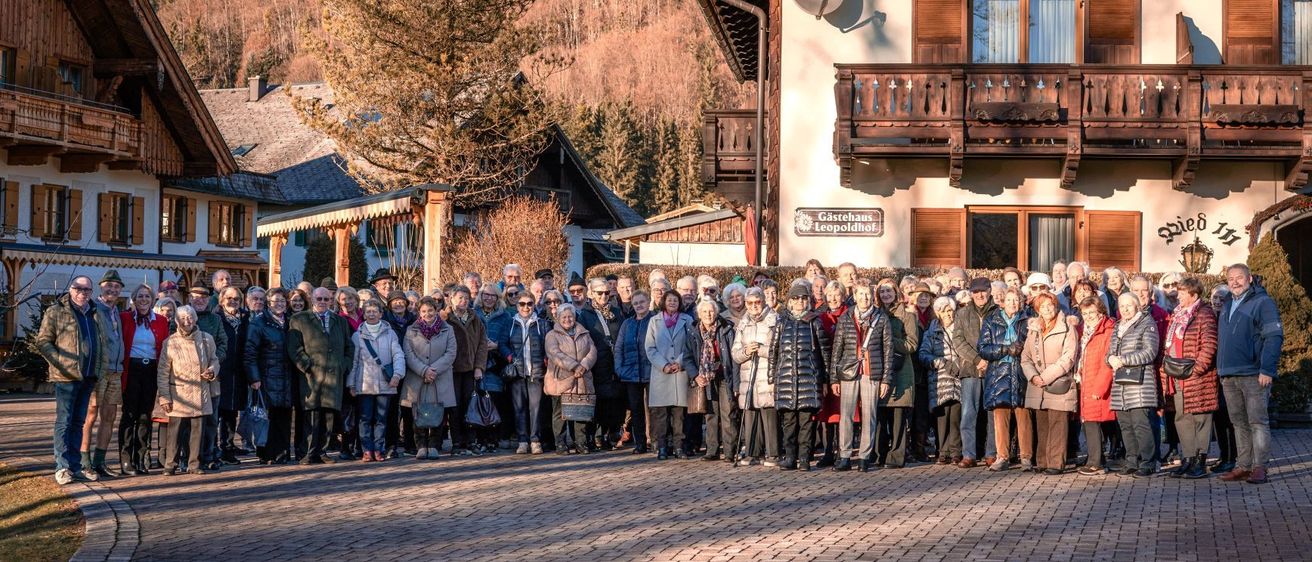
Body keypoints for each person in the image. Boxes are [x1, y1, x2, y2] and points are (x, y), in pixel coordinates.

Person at [37, 276, 111, 485]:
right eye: (79, 288)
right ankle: (62, 467)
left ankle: (75, 466)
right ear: (71, 289)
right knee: (64, 421)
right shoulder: (56, 311)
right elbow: (43, 341)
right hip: (66, 376)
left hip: (88, 376)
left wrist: (101, 370)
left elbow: (102, 343)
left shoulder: (95, 313)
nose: (83, 292)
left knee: (78, 422)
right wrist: (59, 362)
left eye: (87, 289)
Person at [1216, 264, 1283, 484]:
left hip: (1253, 374)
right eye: (1231, 279)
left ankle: (1259, 467)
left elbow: (1273, 337)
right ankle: (1243, 466)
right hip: (1228, 374)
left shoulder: (1263, 303)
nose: (1234, 282)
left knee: (1257, 422)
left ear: (1250, 278)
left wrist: (1267, 369)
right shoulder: (1226, 303)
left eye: (1239, 278)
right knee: (1238, 423)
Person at [1160, 277, 1219, 479]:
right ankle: (1188, 458)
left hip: (1197, 376)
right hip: (1177, 374)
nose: (1179, 295)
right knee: (1182, 417)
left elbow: (1209, 345)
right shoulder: (1177, 314)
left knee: (1200, 417)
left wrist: (1197, 369)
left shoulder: (1205, 314)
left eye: (1183, 292)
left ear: (1193, 294)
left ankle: (1199, 460)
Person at [829, 281, 891, 472]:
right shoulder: (846, 317)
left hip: (872, 372)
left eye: (867, 294)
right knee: (846, 415)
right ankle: (845, 456)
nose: (864, 298)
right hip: (848, 371)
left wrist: (886, 379)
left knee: (869, 415)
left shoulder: (881, 318)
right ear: (854, 296)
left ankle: (865, 456)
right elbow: (836, 349)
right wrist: (833, 378)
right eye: (861, 294)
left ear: (872, 296)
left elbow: (888, 349)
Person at [288, 287, 354, 465]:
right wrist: (306, 365)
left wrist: (344, 365)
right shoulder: (299, 319)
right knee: (311, 416)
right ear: (312, 299)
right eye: (319, 298)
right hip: (311, 378)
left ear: (331, 300)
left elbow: (349, 346)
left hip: (334, 377)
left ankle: (323, 451)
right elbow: (294, 347)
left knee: (329, 416)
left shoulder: (339, 321)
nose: (323, 302)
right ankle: (308, 452)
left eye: (326, 299)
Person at [156, 305, 220, 476]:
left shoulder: (206, 339)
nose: (187, 321)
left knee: (198, 432)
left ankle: (194, 464)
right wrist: (164, 396)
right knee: (175, 433)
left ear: (195, 319)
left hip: (200, 392)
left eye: (190, 317)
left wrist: (212, 370)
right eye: (183, 318)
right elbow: (163, 372)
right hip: (178, 394)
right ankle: (171, 464)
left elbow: (215, 360)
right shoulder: (170, 342)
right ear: (176, 321)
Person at [770, 284, 827, 471]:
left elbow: (824, 354)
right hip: (785, 380)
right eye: (796, 299)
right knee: (788, 424)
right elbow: (774, 352)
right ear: (789, 301)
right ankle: (790, 457)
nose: (800, 302)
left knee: (806, 424)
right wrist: (773, 379)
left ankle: (804, 458)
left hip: (807, 381)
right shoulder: (781, 322)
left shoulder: (814, 322)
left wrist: (825, 380)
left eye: (803, 298)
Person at [1021, 293, 1077, 475]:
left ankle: (1055, 463)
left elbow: (1068, 357)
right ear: (1037, 309)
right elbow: (1025, 358)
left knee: (1058, 423)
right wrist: (1033, 376)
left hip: (1058, 382)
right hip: (1037, 384)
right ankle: (1042, 461)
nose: (1047, 309)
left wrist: (1046, 376)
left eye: (1050, 305)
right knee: (1042, 423)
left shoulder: (1068, 327)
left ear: (1056, 306)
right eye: (1042, 306)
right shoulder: (1033, 329)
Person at [1108, 292, 1161, 478]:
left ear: (1137, 305)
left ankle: (1148, 462)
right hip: (1120, 384)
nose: (1125, 309)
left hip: (1140, 384)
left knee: (1141, 425)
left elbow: (1150, 352)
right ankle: (1132, 460)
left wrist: (1123, 360)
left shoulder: (1147, 323)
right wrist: (1111, 359)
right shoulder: (1118, 327)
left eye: (1129, 305)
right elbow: (1110, 352)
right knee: (1125, 425)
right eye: (1122, 306)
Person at [118, 284, 168, 476]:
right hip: (132, 369)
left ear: (153, 299)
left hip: (151, 370)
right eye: (140, 296)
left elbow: (164, 347)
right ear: (133, 299)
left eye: (147, 296)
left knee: (145, 416)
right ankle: (126, 458)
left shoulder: (161, 321)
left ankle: (141, 457)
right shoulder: (125, 318)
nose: (144, 300)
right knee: (129, 414)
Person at [347, 299, 406, 462]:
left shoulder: (390, 333)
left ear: (381, 314)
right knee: (365, 418)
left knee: (381, 419)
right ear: (364, 314)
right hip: (364, 384)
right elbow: (354, 362)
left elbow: (398, 355)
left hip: (385, 383)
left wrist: (397, 375)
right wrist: (351, 383)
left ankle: (379, 449)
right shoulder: (357, 336)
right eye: (368, 312)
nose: (371, 314)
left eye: (375, 311)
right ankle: (367, 450)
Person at [979, 288, 1031, 472]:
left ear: (1021, 302)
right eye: (1009, 300)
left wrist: (1022, 347)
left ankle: (1026, 457)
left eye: (1016, 300)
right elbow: (983, 348)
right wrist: (1006, 349)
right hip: (998, 374)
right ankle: (1002, 456)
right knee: (1000, 417)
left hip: (1020, 372)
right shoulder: (991, 320)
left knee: (1023, 415)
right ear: (1002, 302)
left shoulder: (1028, 320)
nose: (1012, 303)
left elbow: (1033, 345)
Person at [401, 297, 457, 459]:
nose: (427, 314)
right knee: (418, 412)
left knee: (438, 412)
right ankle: (421, 445)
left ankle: (434, 445)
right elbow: (408, 354)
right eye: (424, 311)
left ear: (436, 310)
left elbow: (451, 352)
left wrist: (434, 370)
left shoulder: (448, 329)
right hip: (418, 377)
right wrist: (424, 370)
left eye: (430, 310)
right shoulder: (411, 330)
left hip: (439, 377)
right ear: (419, 312)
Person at [645, 290, 698, 460]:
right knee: (661, 414)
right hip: (661, 373)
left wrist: (680, 363)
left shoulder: (687, 320)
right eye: (669, 300)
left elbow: (691, 345)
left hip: (679, 373)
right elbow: (650, 348)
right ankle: (662, 446)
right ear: (664, 302)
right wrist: (664, 365)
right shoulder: (654, 321)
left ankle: (679, 446)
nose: (672, 303)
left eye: (675, 300)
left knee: (679, 414)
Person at [244, 288, 295, 465]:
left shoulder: (290, 322)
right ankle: (267, 453)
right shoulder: (259, 323)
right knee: (267, 417)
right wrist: (254, 378)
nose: (279, 304)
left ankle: (283, 452)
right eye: (275, 301)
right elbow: (250, 352)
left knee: (284, 415)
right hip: (266, 376)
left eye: (282, 301)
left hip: (286, 376)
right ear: (268, 303)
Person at [731, 287, 780, 467]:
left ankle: (773, 453)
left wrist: (760, 349)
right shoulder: (743, 323)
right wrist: (745, 351)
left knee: (768, 414)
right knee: (750, 414)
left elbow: (779, 348)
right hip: (748, 376)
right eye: (749, 303)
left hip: (767, 375)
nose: (753, 306)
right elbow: (735, 353)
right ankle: (752, 452)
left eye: (757, 302)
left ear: (763, 301)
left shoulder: (773, 319)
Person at [82, 271, 124, 478]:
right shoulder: (93, 309)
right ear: (101, 287)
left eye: (116, 287)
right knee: (90, 414)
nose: (113, 289)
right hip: (98, 371)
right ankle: (84, 461)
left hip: (115, 372)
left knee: (109, 416)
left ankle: (100, 461)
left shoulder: (117, 311)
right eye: (109, 285)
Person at [954, 278, 997, 468]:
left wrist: (989, 359)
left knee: (992, 414)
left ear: (990, 291)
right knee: (968, 413)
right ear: (971, 293)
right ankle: (969, 454)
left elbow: (1001, 339)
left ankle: (991, 453)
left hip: (993, 370)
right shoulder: (962, 313)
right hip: (970, 370)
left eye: (983, 291)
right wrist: (977, 359)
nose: (980, 295)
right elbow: (958, 341)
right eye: (976, 291)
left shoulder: (998, 313)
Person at [545, 304, 597, 455]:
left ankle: (581, 443)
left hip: (582, 379)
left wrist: (584, 365)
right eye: (564, 317)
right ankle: (560, 444)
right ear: (558, 318)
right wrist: (574, 366)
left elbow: (592, 351)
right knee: (559, 414)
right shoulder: (552, 335)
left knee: (581, 412)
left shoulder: (584, 333)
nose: (568, 319)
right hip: (561, 379)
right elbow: (554, 354)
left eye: (570, 316)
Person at [691, 296, 738, 462]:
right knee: (710, 414)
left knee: (728, 413)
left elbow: (734, 357)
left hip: (725, 375)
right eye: (704, 312)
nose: (708, 314)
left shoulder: (726, 328)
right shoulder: (694, 330)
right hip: (705, 377)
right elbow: (688, 356)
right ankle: (712, 450)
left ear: (716, 312)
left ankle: (730, 451)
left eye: (711, 311)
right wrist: (695, 375)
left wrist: (736, 382)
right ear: (699, 314)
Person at [580, 278, 624, 451]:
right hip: (597, 363)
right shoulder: (585, 314)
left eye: (607, 293)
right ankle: (597, 435)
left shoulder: (616, 312)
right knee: (599, 400)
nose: (604, 296)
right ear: (591, 294)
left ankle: (610, 434)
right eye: (600, 293)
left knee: (614, 401)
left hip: (614, 363)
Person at [1074, 297, 1117, 476]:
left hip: (1097, 381)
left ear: (1100, 311)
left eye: (1092, 312)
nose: (1089, 316)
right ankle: (1097, 459)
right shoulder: (1084, 330)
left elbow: (1107, 360)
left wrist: (1100, 388)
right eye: (1085, 313)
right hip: (1085, 380)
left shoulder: (1107, 330)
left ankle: (1096, 463)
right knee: (1089, 422)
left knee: (1093, 422)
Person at [446, 286, 491, 455]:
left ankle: (471, 440)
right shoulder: (446, 318)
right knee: (454, 406)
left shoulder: (475, 318)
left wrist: (479, 367)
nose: (463, 301)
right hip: (452, 370)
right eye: (460, 298)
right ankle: (457, 442)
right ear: (452, 299)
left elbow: (482, 344)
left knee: (470, 405)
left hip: (471, 370)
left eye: (466, 298)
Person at [502, 292, 548, 454]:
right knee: (519, 408)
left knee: (535, 408)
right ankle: (522, 440)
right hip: (517, 372)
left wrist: (545, 359)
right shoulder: (510, 323)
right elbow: (503, 343)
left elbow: (547, 344)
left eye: (529, 304)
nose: (526, 307)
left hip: (536, 372)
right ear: (517, 305)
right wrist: (509, 356)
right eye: (522, 304)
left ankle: (535, 440)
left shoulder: (541, 324)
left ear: (534, 305)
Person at [919, 296, 962, 466]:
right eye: (944, 311)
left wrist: (959, 364)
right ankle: (942, 451)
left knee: (956, 416)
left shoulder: (961, 329)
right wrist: (940, 362)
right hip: (939, 379)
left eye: (950, 310)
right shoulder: (932, 331)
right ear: (938, 313)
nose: (948, 314)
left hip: (958, 379)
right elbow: (923, 354)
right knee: (942, 416)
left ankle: (956, 451)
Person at [614, 291, 655, 454]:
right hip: (631, 373)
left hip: (651, 372)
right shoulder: (627, 324)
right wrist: (619, 368)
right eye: (636, 303)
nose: (639, 306)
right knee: (636, 410)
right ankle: (640, 443)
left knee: (653, 410)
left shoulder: (654, 320)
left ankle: (656, 441)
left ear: (648, 302)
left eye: (642, 302)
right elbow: (619, 347)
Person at [215, 286, 250, 464]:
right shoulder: (217, 319)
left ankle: (228, 448)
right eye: (229, 298)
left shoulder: (245, 319)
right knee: (216, 412)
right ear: (222, 300)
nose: (233, 301)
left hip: (239, 372)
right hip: (220, 371)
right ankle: (213, 449)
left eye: (236, 298)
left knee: (231, 412)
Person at [814, 281, 847, 468]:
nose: (833, 298)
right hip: (826, 370)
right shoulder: (820, 317)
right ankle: (828, 451)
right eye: (830, 295)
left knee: (843, 413)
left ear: (843, 296)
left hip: (843, 371)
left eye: (837, 294)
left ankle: (843, 451)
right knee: (827, 414)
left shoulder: (848, 315)